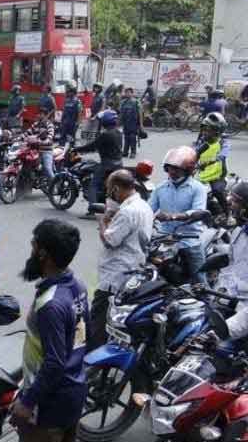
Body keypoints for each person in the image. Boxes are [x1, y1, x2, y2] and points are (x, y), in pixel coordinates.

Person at [11, 218, 87, 442]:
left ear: (44, 254)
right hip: (72, 394)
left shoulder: (51, 304)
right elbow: (84, 341)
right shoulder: (76, 286)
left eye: (33, 243)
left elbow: (54, 363)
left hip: (49, 403)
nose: (30, 248)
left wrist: (27, 401)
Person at [87, 170, 154, 351]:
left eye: (110, 190)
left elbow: (110, 240)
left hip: (116, 276)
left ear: (116, 188)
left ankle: (93, 360)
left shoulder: (128, 212)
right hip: (133, 270)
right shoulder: (143, 206)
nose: (109, 194)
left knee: (99, 322)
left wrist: (103, 220)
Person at [149, 146, 209, 283]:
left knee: (199, 279)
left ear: (187, 170)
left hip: (189, 239)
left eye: (176, 168)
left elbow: (197, 211)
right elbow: (148, 209)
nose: (172, 171)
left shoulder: (198, 188)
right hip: (164, 239)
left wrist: (172, 216)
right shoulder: (160, 188)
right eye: (170, 167)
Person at [210, 182, 248, 355]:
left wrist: (226, 330)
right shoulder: (240, 231)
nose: (230, 204)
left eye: (236, 202)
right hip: (230, 297)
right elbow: (235, 262)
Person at [74, 110, 124, 218]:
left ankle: (92, 210)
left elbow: (92, 146)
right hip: (119, 164)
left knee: (93, 185)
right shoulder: (118, 132)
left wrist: (77, 149)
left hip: (107, 164)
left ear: (105, 122)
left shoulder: (105, 134)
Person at [195, 112, 229, 220]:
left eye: (208, 130)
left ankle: (229, 214)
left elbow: (222, 156)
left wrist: (210, 162)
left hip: (217, 176)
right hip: (202, 175)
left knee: (217, 191)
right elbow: (194, 153)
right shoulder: (201, 141)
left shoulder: (223, 142)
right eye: (203, 129)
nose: (204, 132)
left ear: (217, 132)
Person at [27, 107, 57, 183]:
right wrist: (18, 139)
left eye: (41, 114)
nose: (39, 115)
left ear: (46, 115)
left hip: (46, 150)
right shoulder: (36, 124)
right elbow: (28, 133)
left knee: (47, 168)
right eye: (39, 114)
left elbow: (50, 135)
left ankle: (55, 185)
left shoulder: (49, 124)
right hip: (35, 151)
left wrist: (46, 141)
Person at [119, 87, 142, 158]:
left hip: (134, 123)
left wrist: (141, 124)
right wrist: (119, 122)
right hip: (125, 122)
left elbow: (140, 113)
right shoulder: (123, 102)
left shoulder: (136, 102)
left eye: (129, 92)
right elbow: (121, 113)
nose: (127, 94)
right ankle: (125, 152)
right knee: (126, 137)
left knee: (132, 137)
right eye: (126, 92)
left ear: (132, 93)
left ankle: (133, 152)